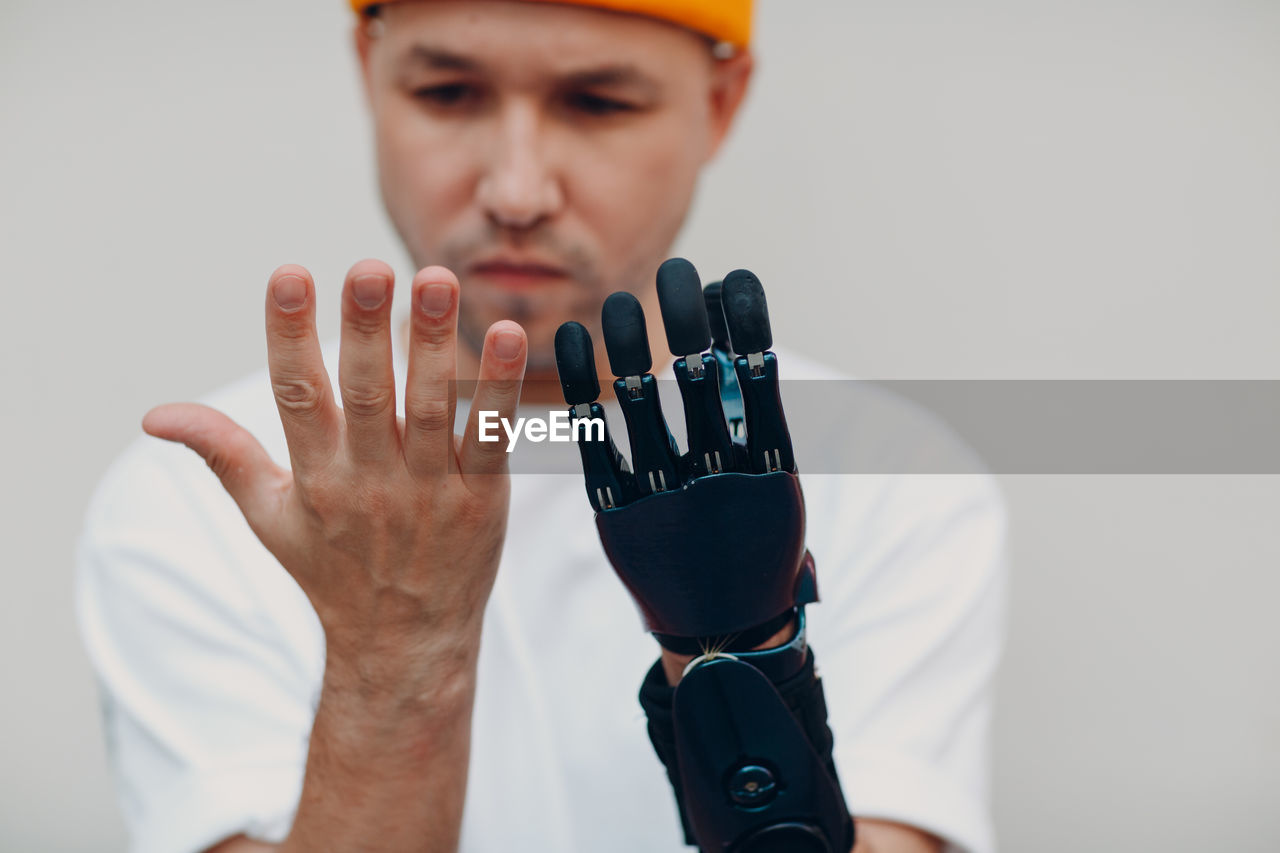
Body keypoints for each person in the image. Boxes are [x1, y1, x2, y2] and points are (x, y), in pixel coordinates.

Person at [76, 2, 1009, 852]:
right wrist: (398, 647)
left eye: (598, 102)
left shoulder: (891, 476)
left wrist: (744, 659)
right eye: (448, 93)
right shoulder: (210, 493)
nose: (516, 193)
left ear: (720, 105)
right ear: (369, 71)